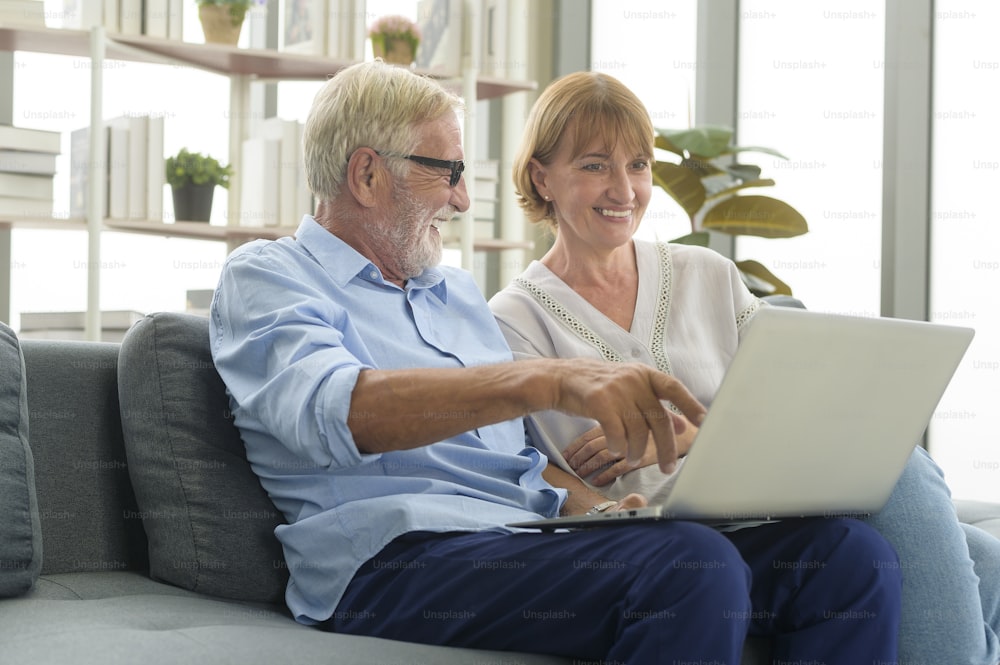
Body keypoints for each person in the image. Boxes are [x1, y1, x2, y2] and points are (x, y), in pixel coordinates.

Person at [209, 60, 903, 663]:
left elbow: (519, 463)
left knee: (846, 558)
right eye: (447, 172)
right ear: (366, 174)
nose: (459, 198)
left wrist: (608, 513)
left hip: (521, 534)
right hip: (391, 558)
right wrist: (543, 379)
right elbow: (344, 411)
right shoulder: (269, 277)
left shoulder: (452, 293)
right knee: (694, 565)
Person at [488, 69, 1000, 665]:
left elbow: (791, 402)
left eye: (639, 165)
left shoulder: (708, 274)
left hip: (762, 521)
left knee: (967, 547)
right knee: (943, 536)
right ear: (540, 177)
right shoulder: (512, 319)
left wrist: (696, 436)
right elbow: (517, 467)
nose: (624, 189)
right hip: (648, 547)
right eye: (596, 165)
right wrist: (598, 510)